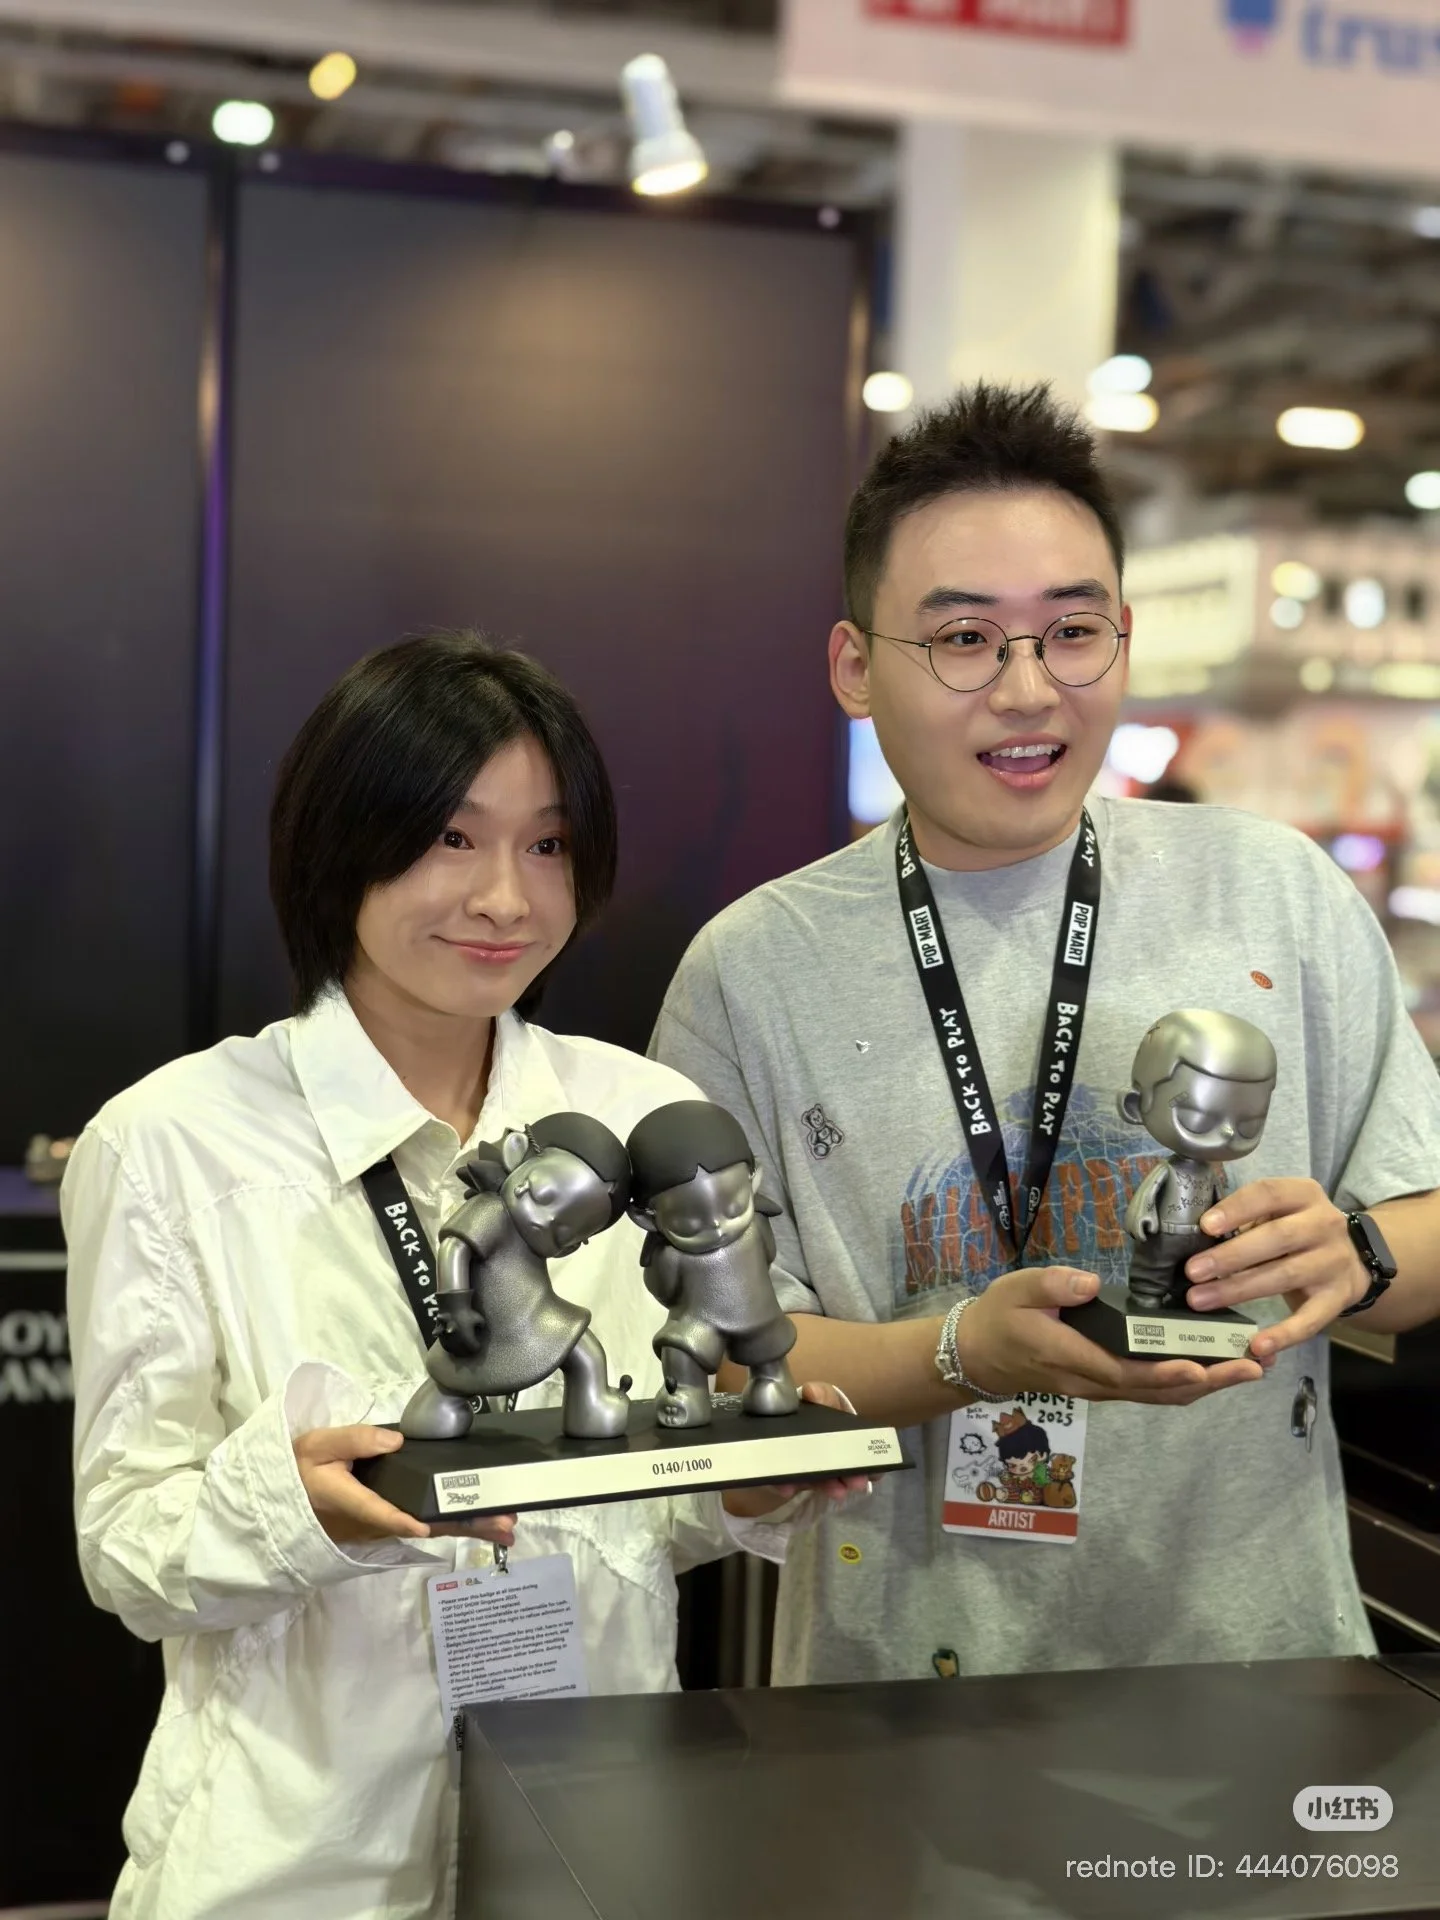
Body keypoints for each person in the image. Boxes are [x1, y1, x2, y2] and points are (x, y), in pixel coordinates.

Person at [652, 382, 1440, 1686]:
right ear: (855, 665)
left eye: (1073, 632)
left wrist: (1352, 1248)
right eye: (964, 640)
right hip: (901, 1690)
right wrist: (960, 1353)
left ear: (1123, 639)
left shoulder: (1273, 891)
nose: (1029, 692)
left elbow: (1426, 1213)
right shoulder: (756, 970)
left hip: (1254, 1669)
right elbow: (726, 1368)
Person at [63, 632, 859, 1920]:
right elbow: (126, 1549)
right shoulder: (173, 1143)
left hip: (590, 1840)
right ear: (341, 843)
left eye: (547, 845)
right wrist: (295, 1510)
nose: (506, 897)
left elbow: (650, 1518)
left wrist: (752, 1485)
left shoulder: (643, 1111)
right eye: (450, 836)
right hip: (297, 1865)